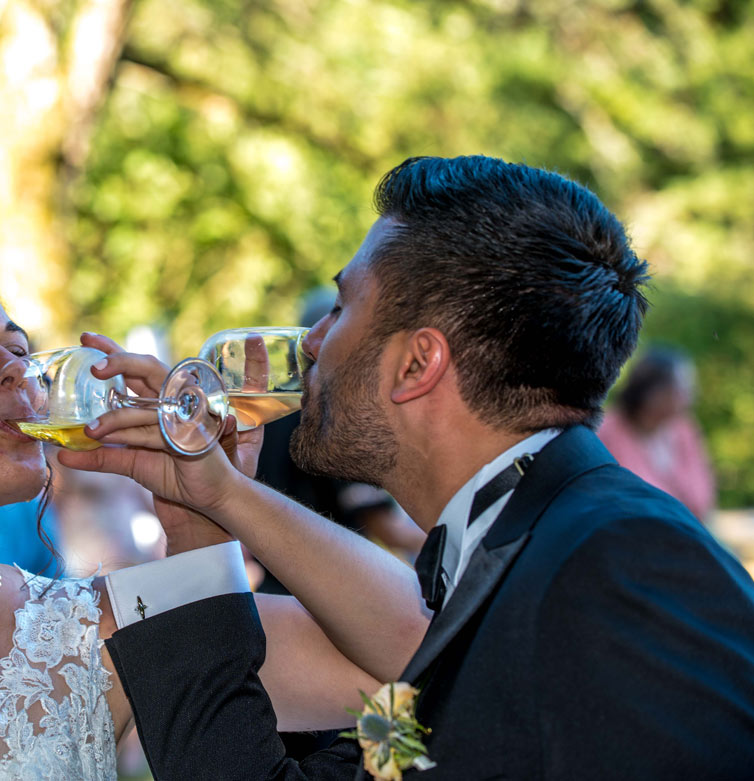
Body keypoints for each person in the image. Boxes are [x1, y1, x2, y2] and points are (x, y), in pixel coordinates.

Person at [61, 156, 754, 778]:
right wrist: (208, 508)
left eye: (341, 306)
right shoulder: (483, 561)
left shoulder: (619, 561)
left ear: (418, 363)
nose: (314, 340)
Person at [0, 246, 419, 779]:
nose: (17, 371)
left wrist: (224, 499)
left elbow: (416, 648)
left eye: (17, 348)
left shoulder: (102, 628)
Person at [597, 347, 716, 520]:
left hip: (682, 535)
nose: (692, 395)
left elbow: (702, 500)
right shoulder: (606, 430)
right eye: (684, 388)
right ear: (654, 393)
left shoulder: (685, 430)